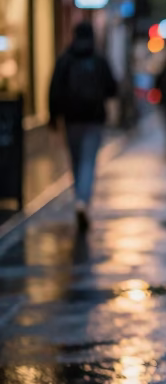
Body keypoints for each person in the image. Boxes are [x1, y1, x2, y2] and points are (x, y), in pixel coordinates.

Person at [49, 20, 117, 232]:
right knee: (88, 161)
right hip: (94, 120)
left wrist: (53, 116)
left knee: (76, 160)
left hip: (71, 120)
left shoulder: (65, 59)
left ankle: (79, 197)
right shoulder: (98, 59)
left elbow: (54, 89)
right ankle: (82, 201)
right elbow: (112, 88)